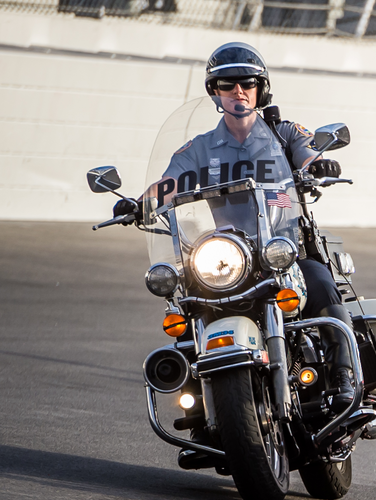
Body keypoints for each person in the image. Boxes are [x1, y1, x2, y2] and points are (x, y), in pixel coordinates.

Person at [148, 41, 347, 321]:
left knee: (322, 288)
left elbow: (307, 153)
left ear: (260, 90)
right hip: (228, 258)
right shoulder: (199, 149)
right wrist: (141, 203)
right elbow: (169, 184)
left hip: (286, 251)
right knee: (194, 309)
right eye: (228, 85)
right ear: (215, 92)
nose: (238, 91)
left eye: (247, 84)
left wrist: (317, 165)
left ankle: (343, 364)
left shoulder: (284, 135)